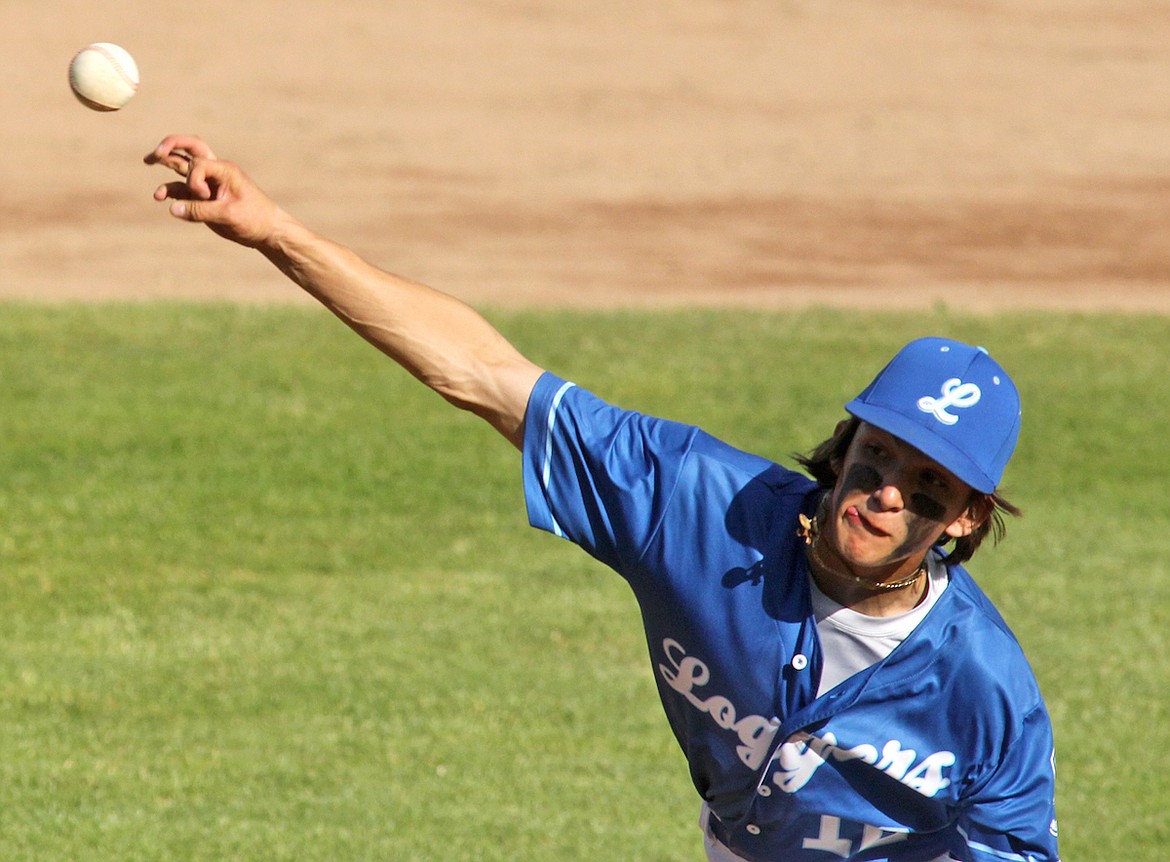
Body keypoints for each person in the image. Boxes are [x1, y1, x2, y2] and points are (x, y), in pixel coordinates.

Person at [145, 135, 1059, 862]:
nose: (887, 495)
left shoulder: (983, 690)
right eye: (877, 457)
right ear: (845, 443)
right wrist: (275, 232)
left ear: (966, 520)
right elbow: (485, 374)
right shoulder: (697, 507)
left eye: (928, 488)